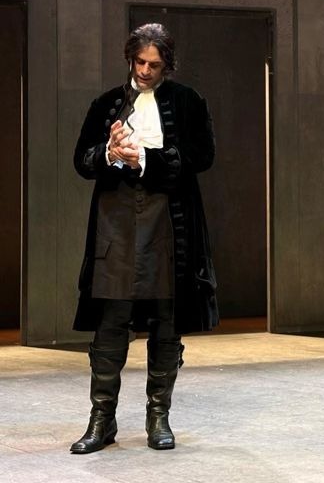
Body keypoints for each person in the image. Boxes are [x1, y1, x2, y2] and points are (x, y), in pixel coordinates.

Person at [70, 23, 218, 453]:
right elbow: (82, 160)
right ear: (130, 59)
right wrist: (110, 153)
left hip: (167, 220)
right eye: (140, 62)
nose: (146, 71)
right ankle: (102, 420)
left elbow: (203, 156)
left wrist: (148, 160)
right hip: (115, 221)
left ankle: (158, 418)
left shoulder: (188, 102)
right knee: (111, 322)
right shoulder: (105, 104)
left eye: (154, 64)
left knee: (167, 322)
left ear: (167, 64)